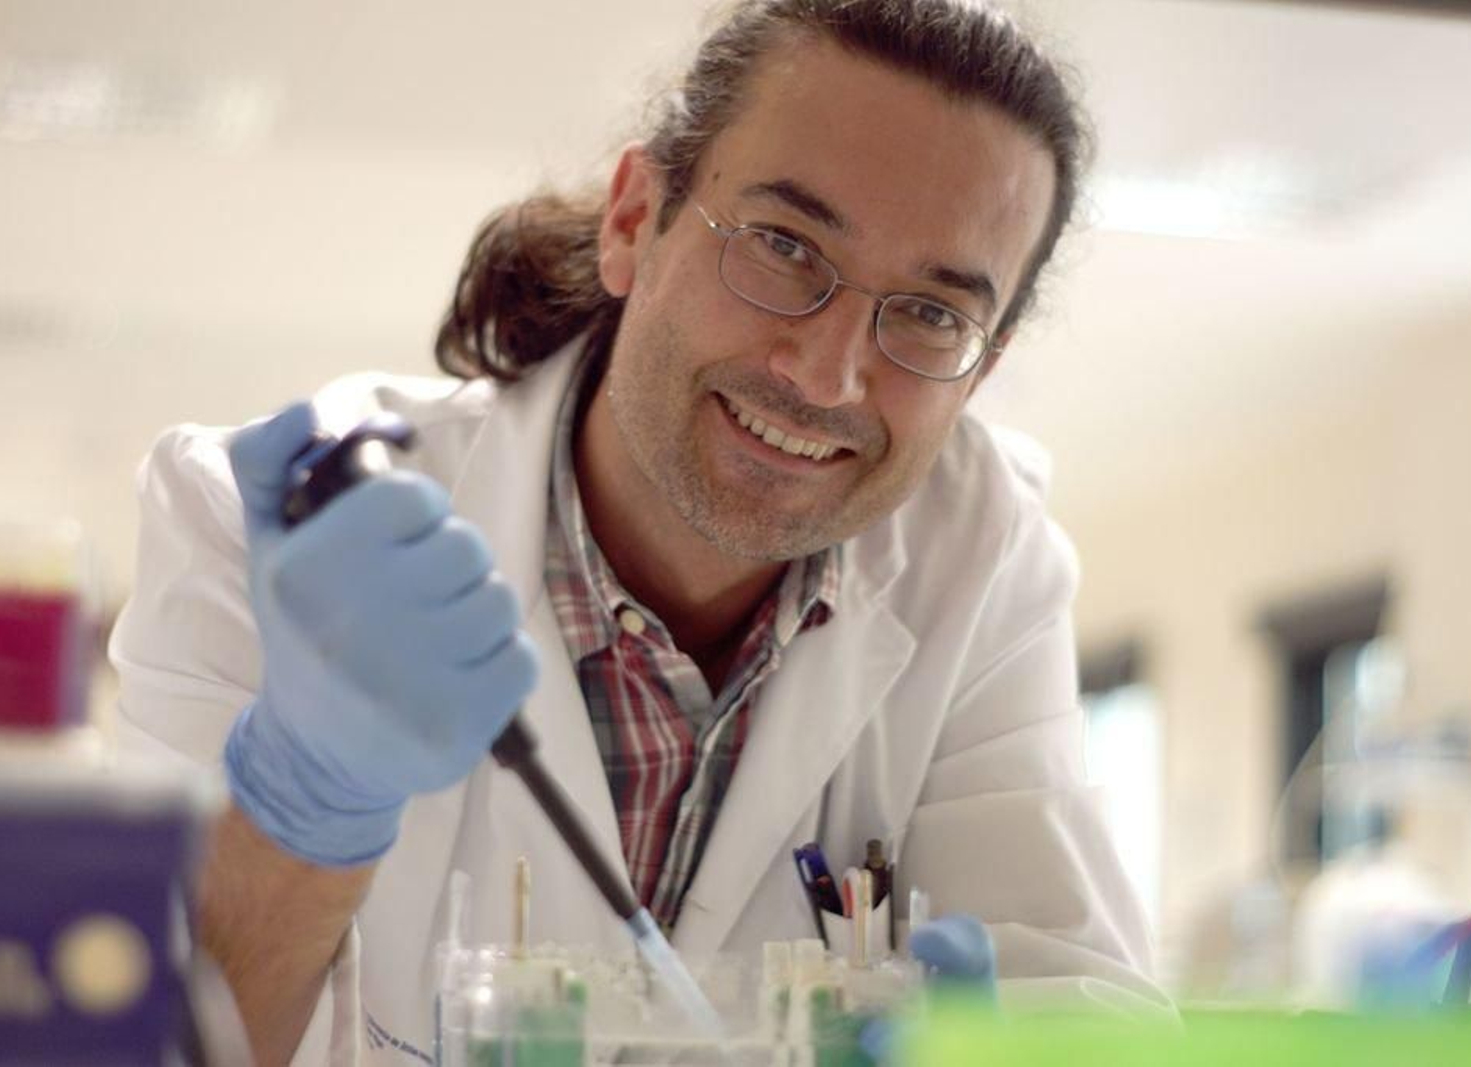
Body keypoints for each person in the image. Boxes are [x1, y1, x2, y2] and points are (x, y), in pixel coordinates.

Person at [111, 1, 1169, 1062]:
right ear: (635, 222)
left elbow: (1081, 1001)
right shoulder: (288, 533)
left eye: (934, 313)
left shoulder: (982, 563)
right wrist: (306, 803)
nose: (827, 372)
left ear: (982, 365)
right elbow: (121, 1038)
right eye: (784, 245)